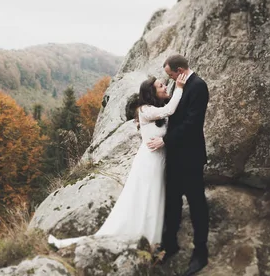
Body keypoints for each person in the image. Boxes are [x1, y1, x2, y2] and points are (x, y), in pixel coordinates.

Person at [48, 73, 187, 249]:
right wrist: (180, 89)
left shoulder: (157, 110)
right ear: (151, 93)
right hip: (149, 162)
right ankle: (142, 236)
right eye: (161, 86)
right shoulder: (144, 110)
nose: (165, 87)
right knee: (146, 197)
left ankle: (153, 237)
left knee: (155, 197)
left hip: (160, 161)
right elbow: (169, 110)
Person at [148, 54, 209, 276]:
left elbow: (193, 124)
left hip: (191, 157)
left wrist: (165, 140)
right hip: (174, 157)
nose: (170, 79)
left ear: (181, 69)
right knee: (172, 202)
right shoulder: (180, 83)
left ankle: (201, 252)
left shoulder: (199, 86)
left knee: (196, 204)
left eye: (171, 74)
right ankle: (170, 244)